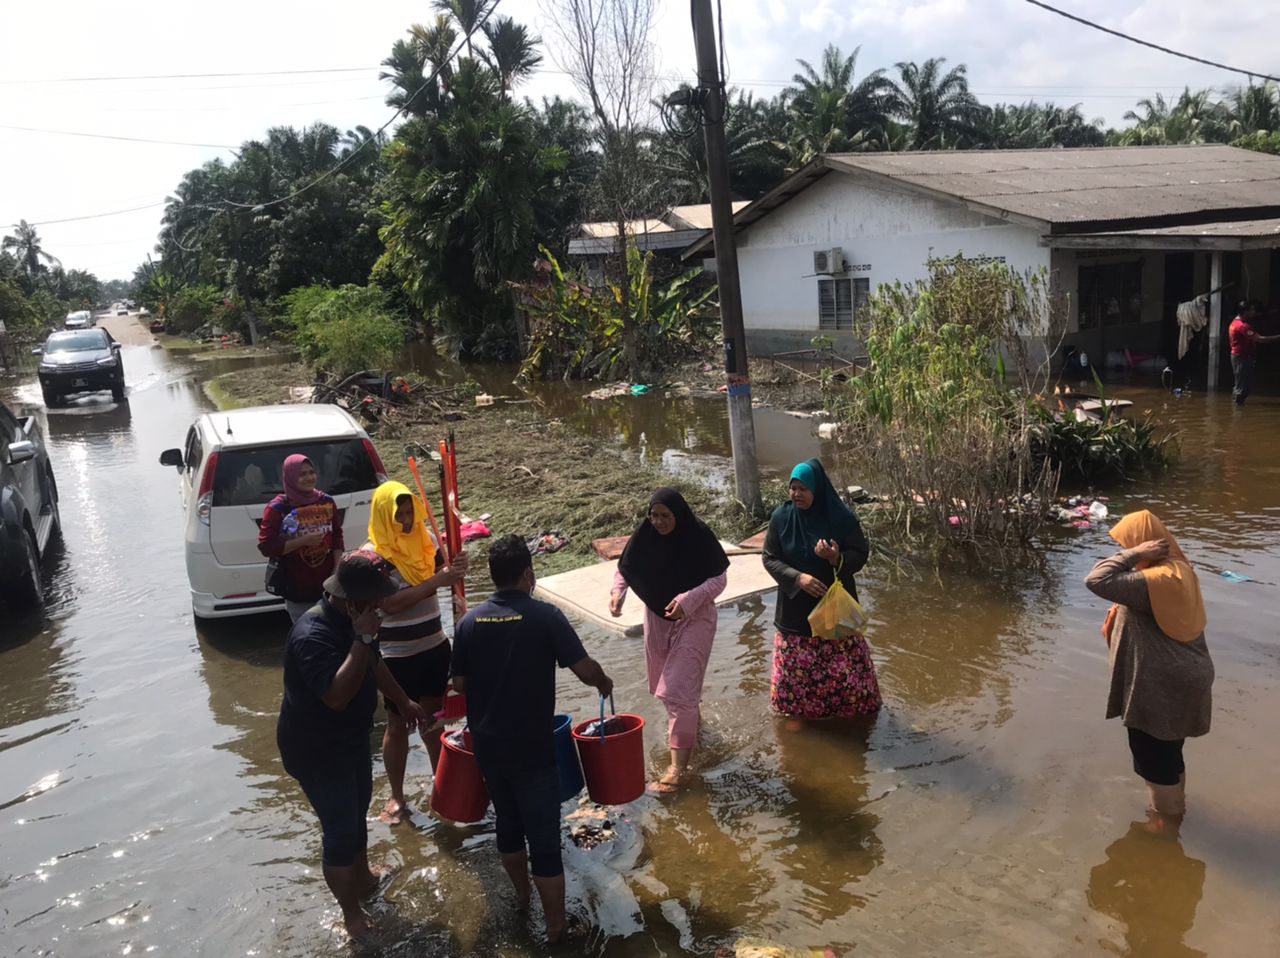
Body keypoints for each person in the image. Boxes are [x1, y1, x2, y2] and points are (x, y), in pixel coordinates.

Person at [451, 535, 613, 945]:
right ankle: (557, 929)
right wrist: (604, 682)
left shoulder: (469, 623)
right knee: (543, 838)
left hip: (488, 745)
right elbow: (583, 669)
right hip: (532, 747)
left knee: (508, 823)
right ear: (528, 573)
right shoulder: (546, 617)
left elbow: (458, 684)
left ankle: (522, 899)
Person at [275, 550, 431, 940]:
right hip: (317, 751)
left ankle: (363, 879)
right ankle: (351, 915)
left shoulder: (355, 620)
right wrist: (362, 637)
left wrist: (404, 701)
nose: (381, 605)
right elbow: (336, 696)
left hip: (349, 740)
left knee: (357, 807)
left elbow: (374, 665)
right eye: (375, 599)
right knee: (340, 831)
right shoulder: (313, 635)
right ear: (350, 599)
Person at [1085, 510, 1213, 821]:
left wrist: (1134, 554)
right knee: (1169, 756)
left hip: (1161, 686)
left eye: (1124, 544)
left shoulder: (1151, 583)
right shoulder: (1177, 570)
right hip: (1183, 678)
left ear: (1148, 545)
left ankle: (1166, 830)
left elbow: (1095, 579)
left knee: (1155, 761)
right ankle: (1176, 811)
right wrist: (1138, 555)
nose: (1121, 551)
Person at [610, 488, 728, 792]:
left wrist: (687, 600)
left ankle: (677, 770)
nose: (658, 522)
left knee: (675, 690)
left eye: (665, 516)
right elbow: (626, 566)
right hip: (658, 620)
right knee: (674, 690)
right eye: (654, 515)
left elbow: (719, 579)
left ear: (679, 515)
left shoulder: (698, 536)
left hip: (695, 619)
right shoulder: (646, 535)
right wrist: (617, 593)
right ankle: (693, 732)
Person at [363, 481, 467, 825]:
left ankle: (443, 785)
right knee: (397, 724)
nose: (407, 521)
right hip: (397, 655)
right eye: (399, 515)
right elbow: (388, 605)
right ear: (384, 516)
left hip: (434, 645)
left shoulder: (427, 540)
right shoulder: (374, 555)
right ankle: (396, 795)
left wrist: (455, 570)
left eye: (410, 513)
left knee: (432, 721)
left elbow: (445, 575)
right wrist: (437, 582)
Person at [762, 458, 880, 719]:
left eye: (803, 489)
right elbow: (770, 558)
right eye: (793, 488)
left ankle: (849, 725)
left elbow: (861, 553)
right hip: (796, 616)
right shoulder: (781, 518)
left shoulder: (840, 518)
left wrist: (836, 558)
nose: (796, 494)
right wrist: (797, 578)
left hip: (834, 612)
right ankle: (797, 721)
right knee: (793, 693)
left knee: (851, 691)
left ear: (817, 489)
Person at [258, 454, 344, 622]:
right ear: (290, 477)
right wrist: (303, 541)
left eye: (311, 472)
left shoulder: (326, 501)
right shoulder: (277, 508)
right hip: (297, 590)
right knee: (309, 635)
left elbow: (337, 537)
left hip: (328, 586)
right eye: (302, 474)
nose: (309, 478)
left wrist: (336, 572)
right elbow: (266, 547)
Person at [1228, 300, 1280, 406]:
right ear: (1245, 311)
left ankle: (1236, 407)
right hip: (1242, 358)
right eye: (1252, 310)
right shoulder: (1242, 326)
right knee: (1243, 387)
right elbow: (1259, 339)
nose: (1254, 312)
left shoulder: (1235, 322)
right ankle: (1237, 410)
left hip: (1238, 357)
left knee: (1239, 384)